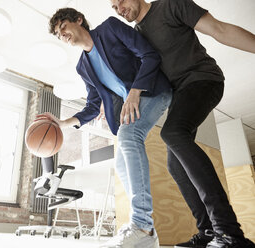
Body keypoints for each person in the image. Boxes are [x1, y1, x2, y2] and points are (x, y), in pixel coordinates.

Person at [109, 0, 255, 247]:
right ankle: (208, 231)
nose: (119, 9)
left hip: (203, 80)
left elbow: (219, 30)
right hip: (180, 96)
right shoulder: (136, 36)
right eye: (113, 8)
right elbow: (136, 77)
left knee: (173, 133)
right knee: (174, 164)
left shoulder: (170, 6)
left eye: (120, 1)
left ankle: (229, 232)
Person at [36, 7, 172, 248]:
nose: (62, 34)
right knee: (120, 164)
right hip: (133, 106)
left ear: (78, 20)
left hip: (154, 91)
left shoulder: (109, 28)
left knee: (129, 136)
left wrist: (134, 91)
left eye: (63, 27)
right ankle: (147, 234)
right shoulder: (82, 67)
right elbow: (93, 105)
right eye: (58, 34)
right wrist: (63, 123)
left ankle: (141, 224)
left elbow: (149, 55)